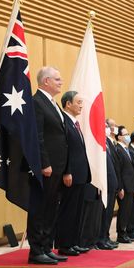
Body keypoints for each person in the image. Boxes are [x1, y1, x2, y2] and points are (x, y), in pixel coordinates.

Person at [27, 67, 69, 265]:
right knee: (40, 208)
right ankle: (35, 251)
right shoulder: (37, 102)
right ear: (46, 82)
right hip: (46, 166)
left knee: (51, 208)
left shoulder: (52, 104)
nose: (61, 82)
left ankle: (45, 247)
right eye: (57, 79)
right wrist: (44, 163)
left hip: (58, 166)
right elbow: (38, 136)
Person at [55, 91, 91, 256]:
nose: (81, 105)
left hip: (81, 175)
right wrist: (67, 171)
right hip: (70, 175)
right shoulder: (63, 121)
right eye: (78, 102)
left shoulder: (75, 123)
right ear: (68, 104)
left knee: (78, 211)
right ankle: (64, 244)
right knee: (68, 211)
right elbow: (64, 149)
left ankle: (74, 242)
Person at [97, 120, 120, 250]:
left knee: (109, 213)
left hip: (112, 183)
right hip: (105, 184)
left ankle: (105, 237)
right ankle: (100, 238)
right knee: (103, 213)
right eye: (105, 126)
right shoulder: (100, 142)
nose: (108, 129)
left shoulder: (109, 142)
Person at [114, 126, 134, 243]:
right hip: (125, 186)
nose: (128, 136)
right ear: (119, 137)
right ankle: (121, 233)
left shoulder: (127, 149)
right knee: (123, 211)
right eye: (125, 134)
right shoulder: (118, 149)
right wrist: (121, 187)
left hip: (131, 185)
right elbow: (118, 170)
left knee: (128, 210)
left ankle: (126, 231)